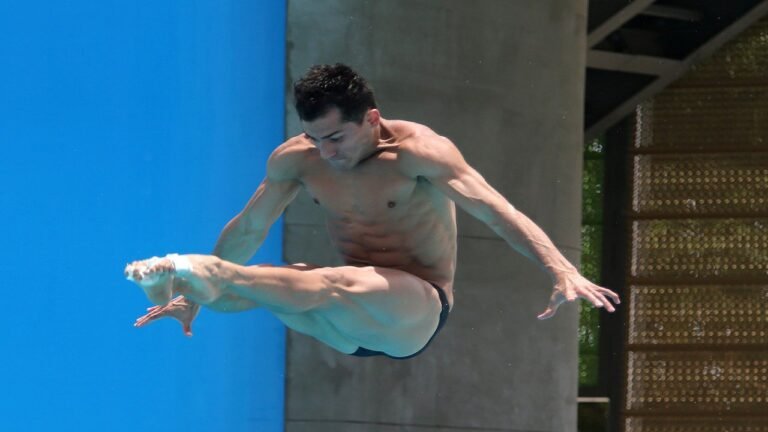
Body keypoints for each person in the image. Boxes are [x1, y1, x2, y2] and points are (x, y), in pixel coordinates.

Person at [126, 63, 620, 359]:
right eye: (315, 138)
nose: (326, 152)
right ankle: (189, 283)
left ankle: (197, 270)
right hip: (348, 326)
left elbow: (495, 211)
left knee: (322, 281)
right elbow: (252, 224)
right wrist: (192, 302)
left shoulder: (419, 154)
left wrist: (560, 269)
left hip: (414, 310)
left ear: (372, 120)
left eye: (336, 137)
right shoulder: (295, 160)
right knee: (268, 287)